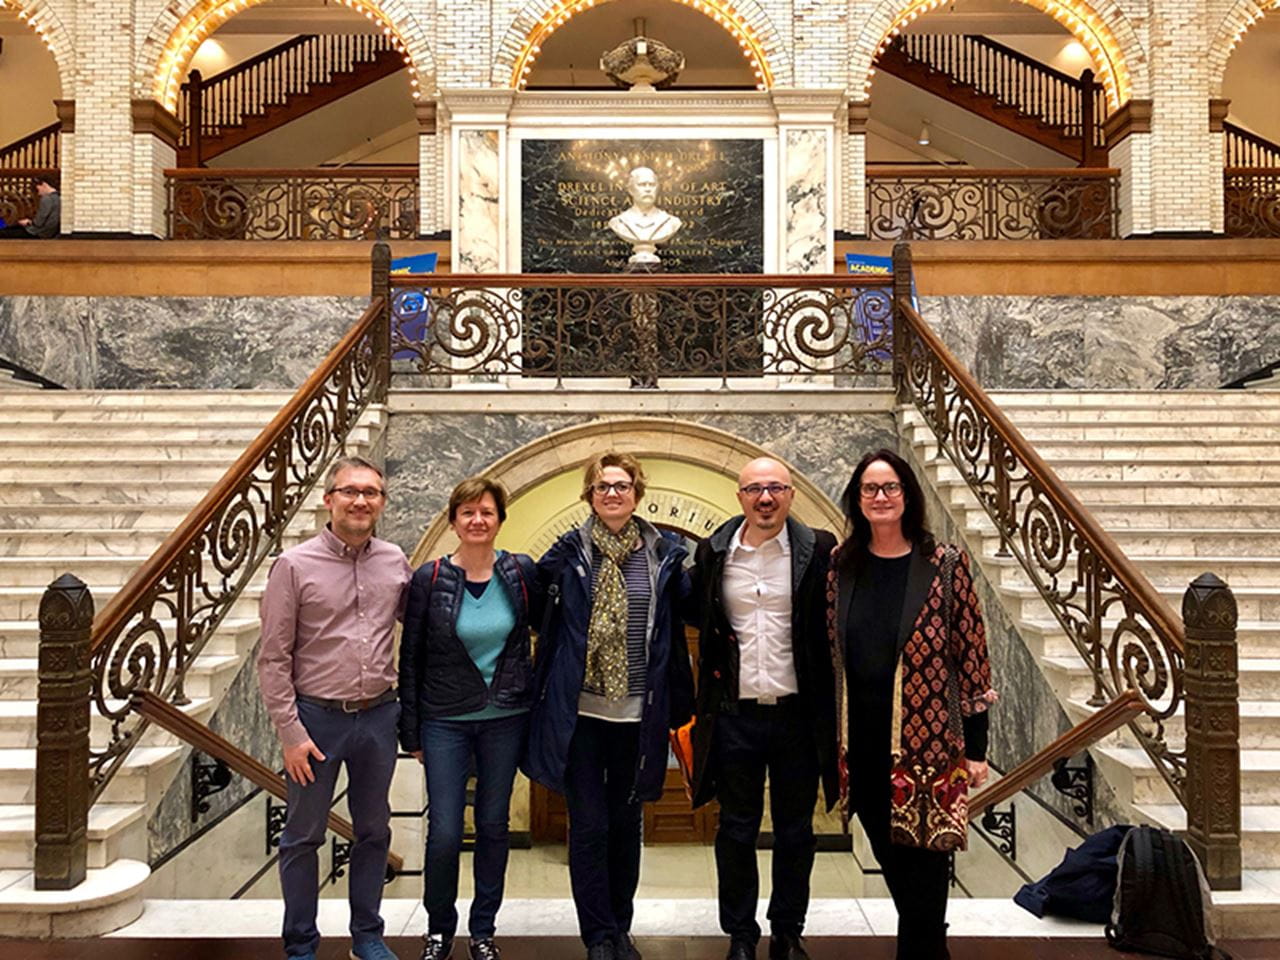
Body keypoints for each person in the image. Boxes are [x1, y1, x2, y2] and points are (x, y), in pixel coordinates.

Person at [525, 451, 695, 960]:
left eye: (622, 486)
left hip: (637, 718)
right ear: (590, 496)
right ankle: (597, 934)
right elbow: (532, 608)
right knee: (590, 825)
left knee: (626, 825)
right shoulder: (566, 553)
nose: (613, 494)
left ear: (637, 494)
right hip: (579, 716)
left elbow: (691, 611)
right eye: (603, 487)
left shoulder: (665, 554)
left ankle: (621, 926)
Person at [829, 448, 997, 960]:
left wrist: (976, 749)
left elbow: (972, 656)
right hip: (862, 747)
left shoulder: (943, 564)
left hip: (929, 750)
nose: (880, 497)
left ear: (907, 495)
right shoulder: (842, 565)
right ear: (857, 500)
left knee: (925, 871)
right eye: (870, 489)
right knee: (895, 864)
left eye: (890, 487)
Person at [258, 455, 411, 960]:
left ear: (382, 503)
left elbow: (424, 629)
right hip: (315, 721)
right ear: (329, 499)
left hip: (378, 716)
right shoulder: (294, 565)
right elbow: (273, 657)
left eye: (371, 493)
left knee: (373, 829)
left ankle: (367, 935)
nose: (361, 501)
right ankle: (301, 944)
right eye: (351, 491)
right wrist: (290, 731)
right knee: (302, 835)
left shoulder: (394, 561)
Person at [688, 457, 838, 960]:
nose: (765, 498)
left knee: (796, 831)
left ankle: (788, 930)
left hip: (798, 715)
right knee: (735, 829)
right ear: (740, 498)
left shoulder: (818, 549)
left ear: (791, 495)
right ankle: (741, 934)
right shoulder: (713, 553)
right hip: (735, 716)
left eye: (775, 488)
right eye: (755, 489)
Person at [399, 477, 541, 960]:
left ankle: (483, 930)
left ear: (501, 519)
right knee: (443, 831)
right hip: (445, 720)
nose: (478, 520)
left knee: (494, 825)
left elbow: (543, 633)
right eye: (468, 513)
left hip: (507, 716)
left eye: (487, 512)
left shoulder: (521, 573)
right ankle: (439, 929)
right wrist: (411, 729)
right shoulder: (429, 578)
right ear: (453, 520)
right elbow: (410, 657)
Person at [607, 167, 682, 265]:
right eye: (642, 185)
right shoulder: (618, 222)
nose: (648, 189)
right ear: (630, 190)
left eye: (652, 185)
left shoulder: (671, 222)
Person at [0, 172, 60, 238]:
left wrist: (28, 222)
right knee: (10, 227)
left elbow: (38, 223)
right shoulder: (58, 198)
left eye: (38, 189)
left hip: (36, 232)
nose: (38, 193)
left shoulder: (47, 199)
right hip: (46, 232)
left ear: (44, 184)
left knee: (4, 232)